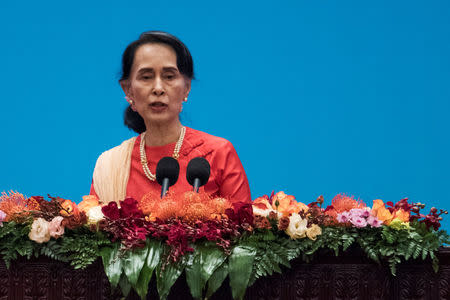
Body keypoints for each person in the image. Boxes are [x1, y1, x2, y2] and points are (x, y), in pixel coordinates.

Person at [90, 31, 251, 205]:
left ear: (186, 87)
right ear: (128, 90)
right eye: (146, 77)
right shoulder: (110, 167)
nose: (158, 88)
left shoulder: (218, 154)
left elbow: (245, 230)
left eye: (169, 76)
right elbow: (94, 231)